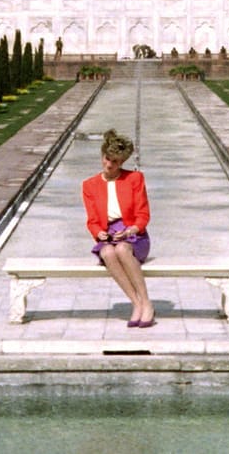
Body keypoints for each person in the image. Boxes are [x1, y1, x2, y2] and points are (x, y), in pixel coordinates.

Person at [82, 129, 153, 327]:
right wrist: (99, 233)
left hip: (135, 236)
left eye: (116, 162)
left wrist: (131, 230)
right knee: (108, 252)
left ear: (122, 162)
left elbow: (143, 215)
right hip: (109, 236)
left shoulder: (135, 179)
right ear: (102, 156)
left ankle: (146, 303)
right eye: (107, 159)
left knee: (122, 249)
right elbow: (92, 221)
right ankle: (136, 303)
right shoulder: (89, 185)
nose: (110, 165)